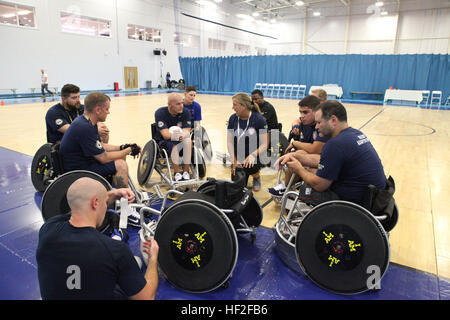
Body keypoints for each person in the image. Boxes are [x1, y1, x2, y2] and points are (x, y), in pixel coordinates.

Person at [36, 177, 159, 300]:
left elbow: (80, 204)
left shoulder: (48, 229)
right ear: (95, 202)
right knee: (130, 270)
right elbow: (146, 298)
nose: (106, 207)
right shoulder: (115, 250)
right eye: (105, 202)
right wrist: (153, 259)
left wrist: (111, 195)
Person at [274, 100, 386, 206]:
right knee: (312, 171)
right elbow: (324, 160)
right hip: (375, 200)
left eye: (319, 122)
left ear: (333, 120)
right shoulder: (355, 134)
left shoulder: (335, 144)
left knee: (307, 185)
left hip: (355, 205)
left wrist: (299, 169)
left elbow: (319, 185)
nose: (316, 127)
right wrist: (295, 156)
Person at [60, 92, 140, 188]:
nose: (108, 112)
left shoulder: (87, 121)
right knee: (121, 165)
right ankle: (123, 198)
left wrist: (123, 147)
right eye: (107, 109)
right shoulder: (84, 127)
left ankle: (117, 193)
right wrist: (128, 151)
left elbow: (101, 145)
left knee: (120, 157)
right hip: (78, 171)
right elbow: (104, 158)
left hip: (85, 162)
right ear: (98, 110)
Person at [269, 95, 328, 196]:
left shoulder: (322, 125)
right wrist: (295, 125)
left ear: (317, 111)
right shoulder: (304, 122)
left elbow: (315, 149)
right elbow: (296, 120)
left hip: (325, 160)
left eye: (305, 112)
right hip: (314, 158)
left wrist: (295, 143)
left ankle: (286, 187)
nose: (302, 115)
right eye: (300, 112)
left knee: (298, 154)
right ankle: (288, 187)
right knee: (297, 154)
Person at [227, 92, 268, 192]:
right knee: (237, 188)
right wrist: (234, 161)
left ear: (243, 106)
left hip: (254, 154)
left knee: (251, 164)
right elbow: (229, 142)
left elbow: (265, 143)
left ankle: (256, 176)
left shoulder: (259, 119)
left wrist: (253, 155)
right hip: (238, 156)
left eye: (234, 105)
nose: (233, 108)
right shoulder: (233, 118)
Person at [45, 84, 110, 144]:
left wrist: (101, 128)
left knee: (103, 134)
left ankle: (102, 152)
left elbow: (96, 121)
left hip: (79, 143)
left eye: (78, 97)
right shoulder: (54, 112)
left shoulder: (82, 108)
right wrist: (95, 130)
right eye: (74, 98)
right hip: (61, 147)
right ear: (64, 99)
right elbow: (70, 130)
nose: (78, 100)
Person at [154, 92, 192, 181]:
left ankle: (186, 171)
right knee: (175, 142)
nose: (181, 106)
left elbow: (187, 131)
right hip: (163, 141)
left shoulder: (185, 112)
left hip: (180, 138)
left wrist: (182, 135)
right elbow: (166, 135)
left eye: (182, 103)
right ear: (169, 104)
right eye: (178, 104)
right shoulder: (160, 113)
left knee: (188, 141)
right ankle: (177, 173)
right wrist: (178, 137)